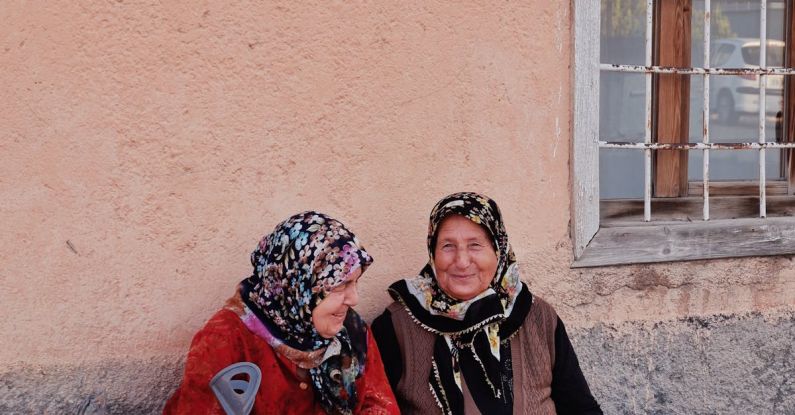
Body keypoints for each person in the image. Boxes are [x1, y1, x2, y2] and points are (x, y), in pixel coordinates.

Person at [372, 192, 602, 415]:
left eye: (475, 245)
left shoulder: (538, 317)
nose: (462, 262)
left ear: (498, 251)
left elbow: (580, 407)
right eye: (448, 246)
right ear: (433, 251)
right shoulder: (396, 328)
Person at [165, 211, 399, 415]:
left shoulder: (352, 333)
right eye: (339, 286)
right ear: (298, 285)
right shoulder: (227, 340)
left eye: (355, 283)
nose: (354, 299)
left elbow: (379, 405)